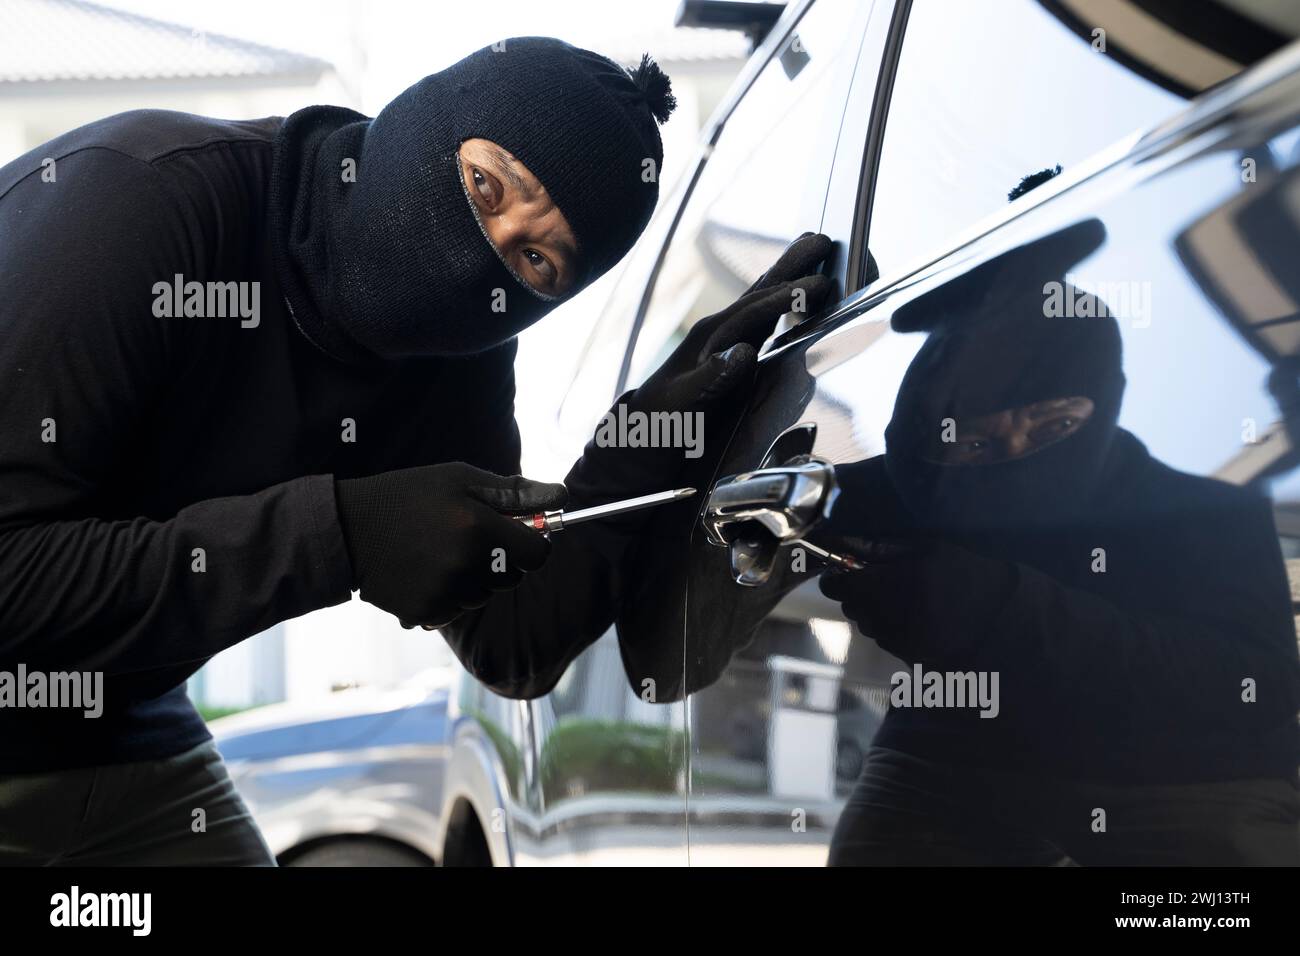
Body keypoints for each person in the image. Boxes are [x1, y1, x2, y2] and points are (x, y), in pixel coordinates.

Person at [0, 36, 832, 865]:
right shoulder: (141, 198)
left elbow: (512, 637)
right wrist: (342, 538)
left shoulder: (456, 351)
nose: (486, 250)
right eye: (484, 184)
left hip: (123, 734)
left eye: (537, 261)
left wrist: (647, 443)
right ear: (426, 117)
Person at [818, 262, 1300, 865]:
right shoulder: (907, 487)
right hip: (949, 756)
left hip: (1189, 774)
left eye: (1055, 426)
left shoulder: (1210, 512)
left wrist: (999, 613)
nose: (1017, 457)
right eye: (976, 443)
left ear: (1106, 406)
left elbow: (1257, 685)